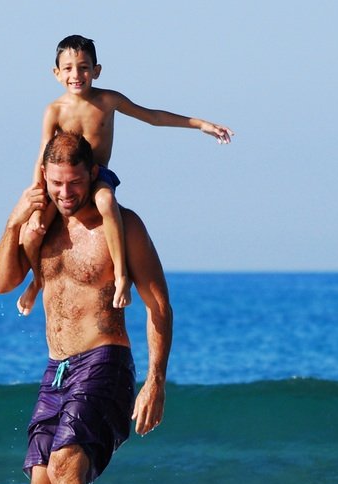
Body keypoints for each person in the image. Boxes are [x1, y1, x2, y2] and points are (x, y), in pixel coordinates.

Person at [0, 132, 173, 484]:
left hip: (105, 359)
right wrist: (13, 223)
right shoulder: (41, 225)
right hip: (57, 369)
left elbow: (159, 304)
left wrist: (155, 379)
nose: (65, 194)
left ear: (92, 175)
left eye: (73, 183)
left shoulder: (121, 226)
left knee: (67, 468)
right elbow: (3, 280)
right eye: (55, 185)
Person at [15, 34, 232, 316]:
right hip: (65, 180)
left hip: (97, 176)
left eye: (83, 67)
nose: (76, 74)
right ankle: (37, 280)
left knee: (106, 203)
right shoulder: (54, 110)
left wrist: (199, 124)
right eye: (68, 68)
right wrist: (37, 193)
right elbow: (44, 151)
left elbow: (153, 117)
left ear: (96, 70)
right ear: (56, 74)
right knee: (32, 232)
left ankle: (120, 277)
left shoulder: (108, 100)